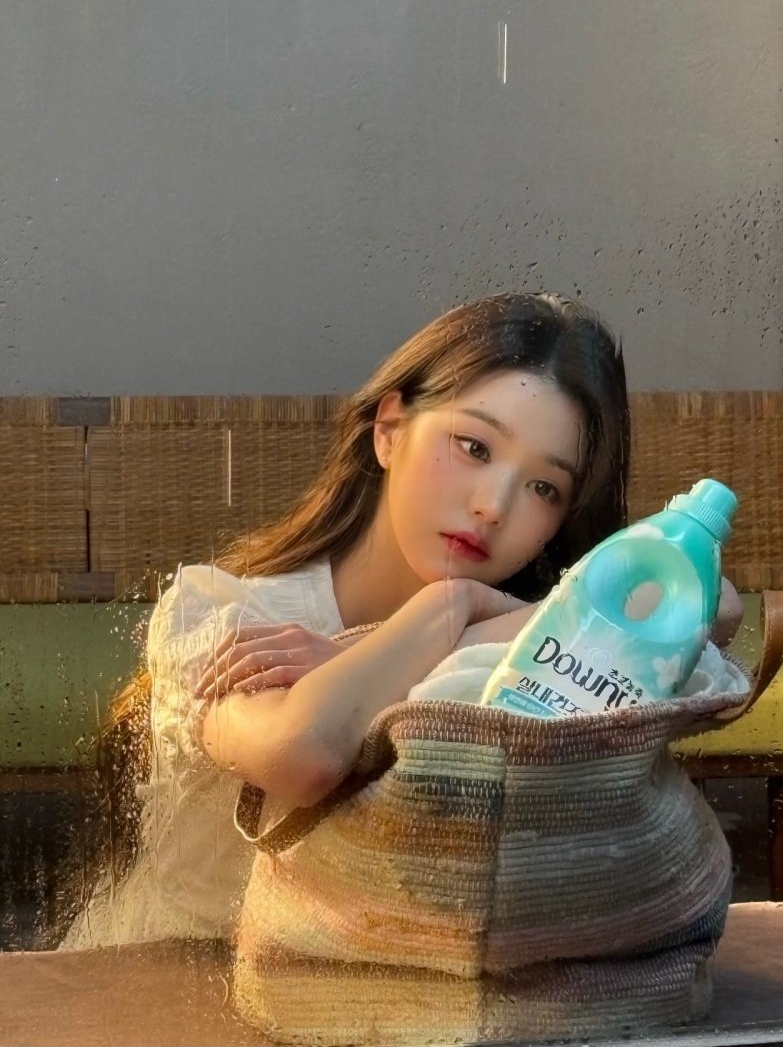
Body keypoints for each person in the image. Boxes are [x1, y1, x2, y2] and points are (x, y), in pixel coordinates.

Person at [60, 291, 742, 949]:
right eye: (474, 447)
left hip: (380, 999)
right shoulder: (225, 613)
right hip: (160, 984)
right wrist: (444, 611)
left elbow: (716, 605)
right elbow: (304, 753)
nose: (493, 505)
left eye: (544, 487)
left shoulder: (514, 657)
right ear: (389, 430)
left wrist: (439, 627)